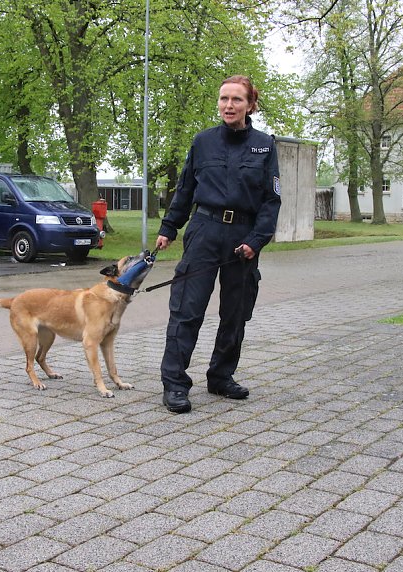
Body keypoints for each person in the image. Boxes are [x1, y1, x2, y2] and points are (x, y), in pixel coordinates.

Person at [155, 75, 281, 414]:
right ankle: (175, 384)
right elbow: (184, 190)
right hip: (205, 230)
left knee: (235, 313)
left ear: (250, 105)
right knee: (187, 310)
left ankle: (221, 376)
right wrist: (169, 227)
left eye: (237, 100)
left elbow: (271, 201)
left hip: (243, 237)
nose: (229, 105)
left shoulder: (264, 145)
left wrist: (257, 241)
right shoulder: (203, 142)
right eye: (224, 98)